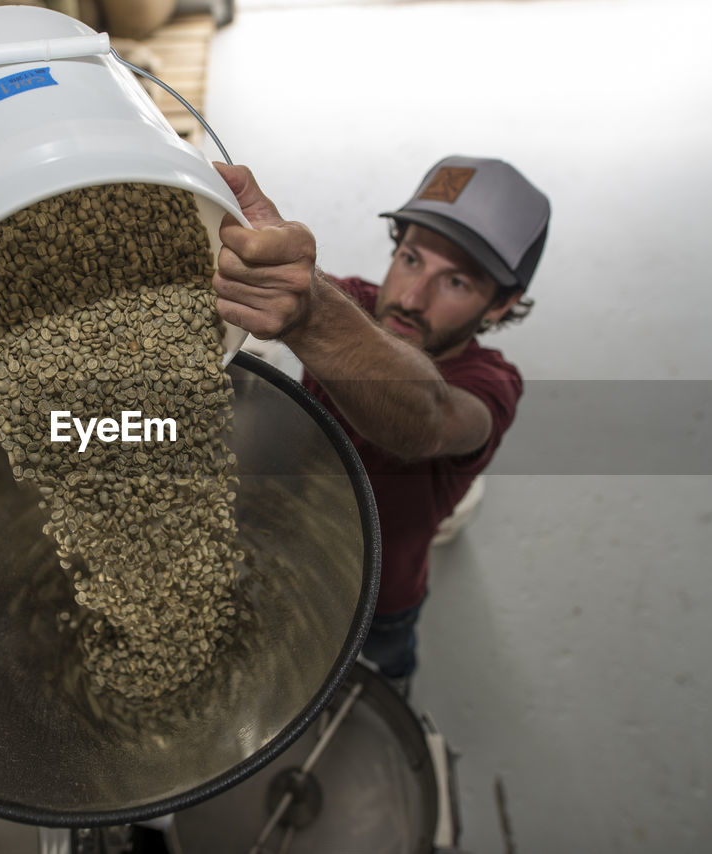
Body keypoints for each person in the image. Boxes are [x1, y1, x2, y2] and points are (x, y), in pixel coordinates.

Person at [211, 156, 550, 695]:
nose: (412, 298)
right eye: (411, 258)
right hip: (282, 567)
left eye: (456, 281)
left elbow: (428, 421)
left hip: (376, 610)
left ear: (500, 305)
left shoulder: (492, 383)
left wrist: (312, 315)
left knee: (366, 714)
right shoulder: (355, 303)